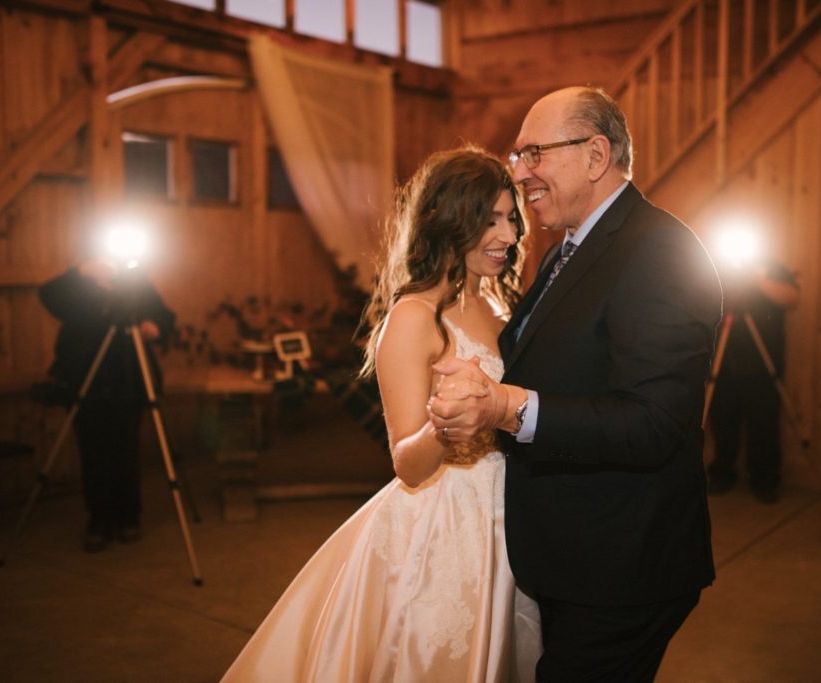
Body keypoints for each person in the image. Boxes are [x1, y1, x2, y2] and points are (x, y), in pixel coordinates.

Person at [429, 86, 723, 682]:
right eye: (517, 156)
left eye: (534, 153)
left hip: (620, 568)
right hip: (570, 559)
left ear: (595, 156)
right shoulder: (565, 251)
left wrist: (507, 406)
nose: (519, 173)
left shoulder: (660, 250)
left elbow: (653, 423)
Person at [222, 146, 542, 682]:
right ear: (450, 220)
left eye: (512, 219)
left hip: (513, 511)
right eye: (490, 220)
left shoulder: (498, 305)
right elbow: (407, 464)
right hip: (444, 524)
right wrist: (449, 420)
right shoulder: (413, 317)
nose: (509, 236)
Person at [39, 258, 174, 552]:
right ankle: (98, 520)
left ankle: (129, 518)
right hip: (87, 382)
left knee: (127, 452)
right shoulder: (77, 285)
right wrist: (81, 273)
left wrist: (155, 327)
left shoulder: (135, 282)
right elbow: (48, 296)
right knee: (93, 453)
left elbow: (163, 316)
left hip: (129, 381)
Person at [707, 257, 799, 504]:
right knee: (723, 422)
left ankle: (765, 479)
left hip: (762, 363)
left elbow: (791, 298)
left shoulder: (774, 267)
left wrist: (756, 280)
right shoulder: (716, 264)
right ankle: (722, 473)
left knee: (764, 425)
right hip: (724, 363)